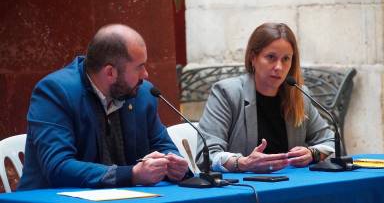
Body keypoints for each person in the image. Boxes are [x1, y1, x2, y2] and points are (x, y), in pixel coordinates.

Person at [18, 24, 188, 190]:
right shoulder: (55, 92)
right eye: (139, 67)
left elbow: (163, 145)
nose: (146, 74)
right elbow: (58, 166)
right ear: (110, 73)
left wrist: (175, 165)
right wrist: (131, 174)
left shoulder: (142, 93)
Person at [196, 22, 334, 173]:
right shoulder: (227, 93)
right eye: (271, 57)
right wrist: (243, 163)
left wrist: (312, 153)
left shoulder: (298, 95)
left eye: (286, 59)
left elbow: (332, 142)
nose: (279, 67)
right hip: (245, 188)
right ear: (253, 58)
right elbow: (206, 154)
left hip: (292, 185)